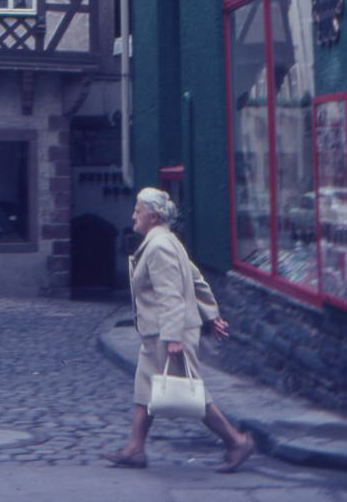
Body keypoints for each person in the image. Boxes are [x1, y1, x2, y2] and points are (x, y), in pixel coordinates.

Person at [105, 187, 255, 473]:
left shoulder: (159, 246)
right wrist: (212, 314)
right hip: (156, 333)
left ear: (152, 215)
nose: (132, 215)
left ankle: (237, 441)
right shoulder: (165, 241)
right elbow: (195, 279)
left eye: (137, 211)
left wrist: (173, 338)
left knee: (189, 393)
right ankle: (135, 449)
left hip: (167, 333)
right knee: (145, 389)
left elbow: (171, 294)